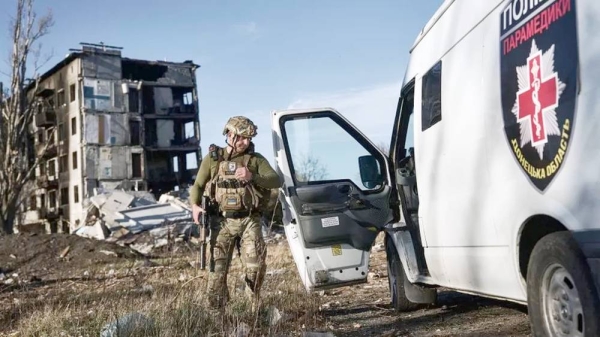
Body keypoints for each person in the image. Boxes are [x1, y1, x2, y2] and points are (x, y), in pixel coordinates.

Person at [189, 116, 282, 309]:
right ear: (230, 135)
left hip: (249, 220)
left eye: (248, 139)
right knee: (216, 272)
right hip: (221, 222)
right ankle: (218, 314)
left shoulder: (255, 160)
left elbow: (275, 180)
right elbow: (198, 184)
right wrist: (194, 205)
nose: (245, 142)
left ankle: (252, 308)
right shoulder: (213, 159)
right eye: (241, 138)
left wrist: (252, 176)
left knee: (255, 267)